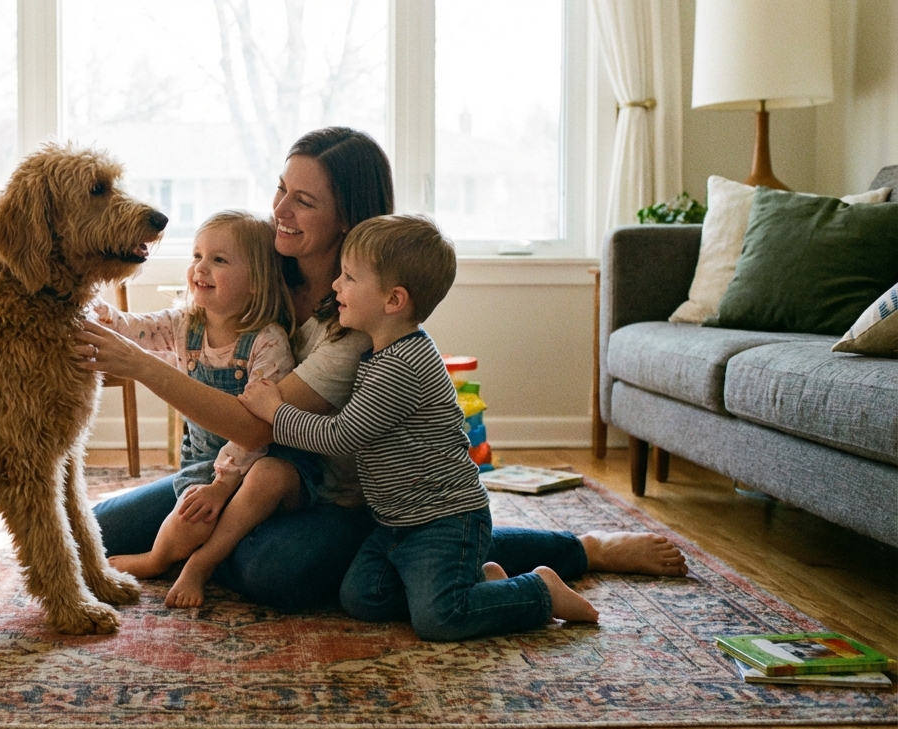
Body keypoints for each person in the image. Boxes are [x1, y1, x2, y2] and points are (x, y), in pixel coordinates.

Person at [77, 126, 687, 612]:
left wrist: (138, 366)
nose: (280, 211)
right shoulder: (259, 268)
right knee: (97, 530)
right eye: (281, 189)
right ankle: (212, 549)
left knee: (272, 571)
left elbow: (257, 426)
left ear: (346, 221)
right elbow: (181, 330)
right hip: (227, 472)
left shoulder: (353, 328)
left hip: (328, 494)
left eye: (304, 201)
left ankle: (579, 549)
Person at [239, 214, 598, 639]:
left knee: (439, 619)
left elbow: (339, 436)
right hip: (395, 522)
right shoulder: (381, 354)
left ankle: (540, 591)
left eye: (349, 278)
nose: (336, 286)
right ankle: (481, 584)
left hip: (444, 520)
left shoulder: (404, 365)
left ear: (394, 300)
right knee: (361, 599)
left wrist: (273, 409)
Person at [89, 210, 319, 607]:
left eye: (219, 260)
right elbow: (133, 328)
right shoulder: (184, 322)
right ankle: (165, 555)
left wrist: (222, 486)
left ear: (255, 282)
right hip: (204, 464)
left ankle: (193, 563)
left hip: (258, 464)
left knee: (265, 477)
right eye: (197, 256)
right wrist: (102, 314)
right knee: (132, 527)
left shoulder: (268, 343)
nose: (201, 268)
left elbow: (258, 432)